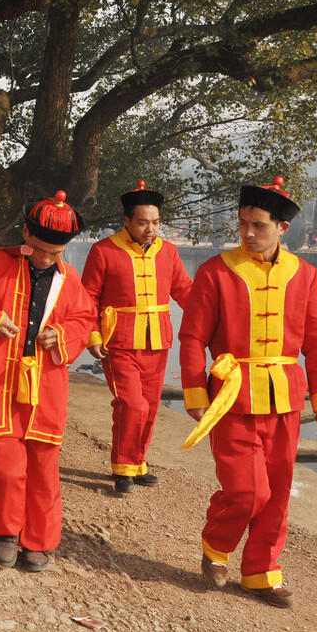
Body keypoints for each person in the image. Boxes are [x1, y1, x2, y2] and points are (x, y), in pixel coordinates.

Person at [179, 176, 317, 609]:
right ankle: (216, 546)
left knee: (279, 490)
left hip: (286, 395)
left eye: (259, 225)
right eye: (243, 223)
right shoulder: (215, 271)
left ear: (283, 228)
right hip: (231, 396)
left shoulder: (305, 275)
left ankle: (261, 572)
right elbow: (192, 338)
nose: (248, 233)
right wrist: (195, 393)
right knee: (248, 490)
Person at [0, 193, 96, 572]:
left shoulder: (69, 279)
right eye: (38, 249)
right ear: (25, 232)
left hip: (47, 388)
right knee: (4, 466)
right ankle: (5, 531)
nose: (44, 258)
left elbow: (86, 318)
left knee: (43, 468)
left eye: (53, 253)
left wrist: (63, 334)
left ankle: (38, 540)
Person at [81, 180, 192, 493]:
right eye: (143, 222)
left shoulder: (168, 252)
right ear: (127, 221)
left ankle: (138, 462)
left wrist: (216, 313)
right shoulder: (103, 251)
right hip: (118, 342)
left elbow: (184, 290)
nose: (150, 229)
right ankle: (123, 466)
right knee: (132, 404)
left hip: (158, 340)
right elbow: (87, 297)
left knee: (151, 406)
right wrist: (92, 336)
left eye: (155, 222)